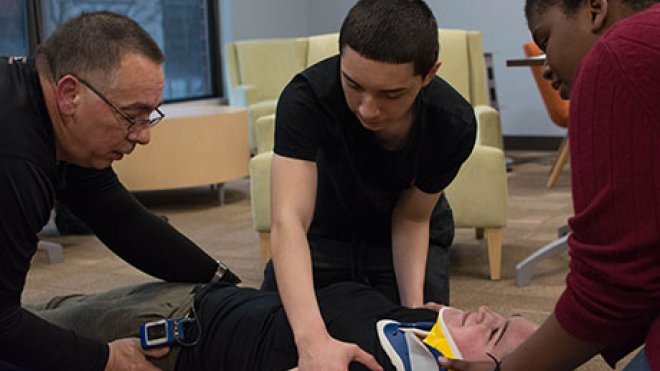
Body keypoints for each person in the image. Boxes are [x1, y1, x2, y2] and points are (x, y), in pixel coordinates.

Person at [0, 11, 240, 371]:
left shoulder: (47, 113)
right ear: (69, 95)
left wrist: (222, 282)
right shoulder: (17, 159)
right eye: (131, 115)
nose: (143, 135)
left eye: (150, 116)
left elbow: (121, 219)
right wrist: (106, 359)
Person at [440, 0, 660, 370]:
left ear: (595, 8)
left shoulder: (618, 56)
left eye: (546, 40)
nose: (545, 69)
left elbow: (610, 289)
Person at [265, 0, 477, 369]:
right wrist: (312, 341)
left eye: (391, 94)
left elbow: (411, 219)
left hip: (404, 234)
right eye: (353, 85)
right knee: (272, 333)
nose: (367, 109)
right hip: (323, 231)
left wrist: (410, 312)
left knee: (420, 351)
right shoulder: (306, 99)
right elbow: (288, 221)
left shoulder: (451, 122)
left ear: (428, 75)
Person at [29, 281, 538, 371]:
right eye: (503, 316)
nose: (490, 314)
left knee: (22, 334)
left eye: (494, 333)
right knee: (45, 305)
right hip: (200, 295)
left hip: (164, 338)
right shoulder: (416, 319)